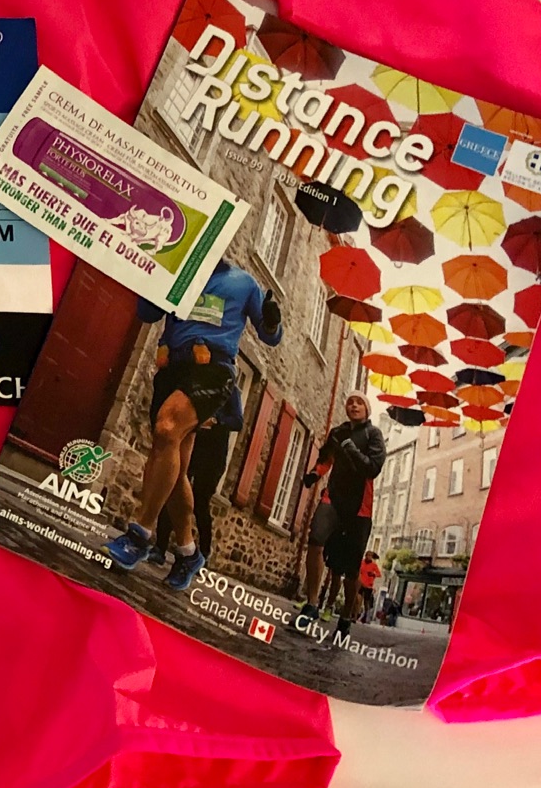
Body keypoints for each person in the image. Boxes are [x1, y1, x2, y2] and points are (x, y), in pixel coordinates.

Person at [105, 259, 282, 592]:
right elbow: (147, 313)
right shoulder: (179, 271)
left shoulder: (244, 282)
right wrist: (156, 279)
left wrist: (272, 320)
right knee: (174, 466)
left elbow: (269, 336)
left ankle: (139, 536)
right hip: (172, 366)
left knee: (166, 428)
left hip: (212, 369)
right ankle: (188, 552)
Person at [296, 393, 386, 639]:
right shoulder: (338, 432)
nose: (354, 405)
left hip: (359, 508)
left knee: (350, 569)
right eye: (350, 402)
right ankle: (312, 604)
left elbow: (373, 468)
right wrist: (315, 473)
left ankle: (346, 616)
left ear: (367, 409)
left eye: (359, 402)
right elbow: (327, 458)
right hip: (333, 498)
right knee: (316, 540)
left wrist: (351, 449)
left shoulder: (374, 435)